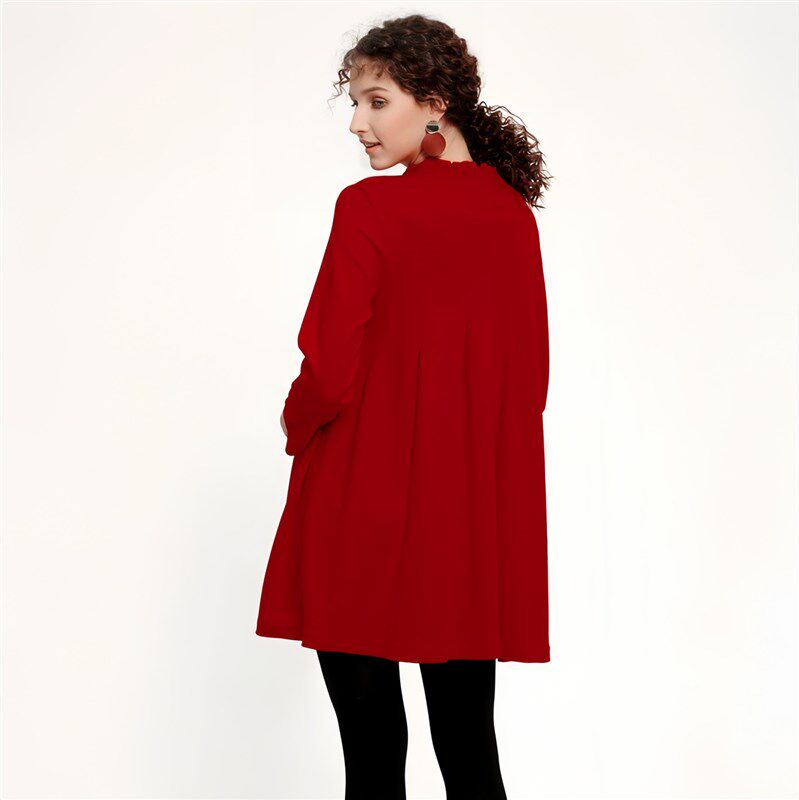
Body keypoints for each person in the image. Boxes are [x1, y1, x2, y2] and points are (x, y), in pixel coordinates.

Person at [256, 13, 553, 799]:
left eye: (376, 101)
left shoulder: (369, 209)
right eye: (356, 101)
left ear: (434, 103)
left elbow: (329, 373)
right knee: (471, 753)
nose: (357, 123)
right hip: (464, 520)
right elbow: (529, 384)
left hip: (360, 503)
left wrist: (294, 423)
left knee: (371, 759)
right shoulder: (512, 217)